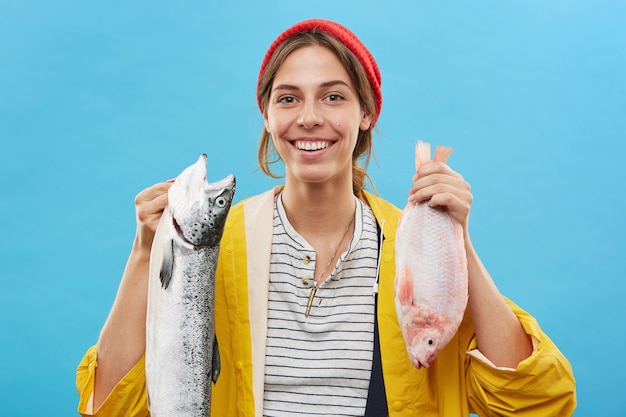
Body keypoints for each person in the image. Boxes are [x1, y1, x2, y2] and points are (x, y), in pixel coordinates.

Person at [76, 18, 576, 416]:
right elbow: (110, 407)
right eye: (288, 98)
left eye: (333, 96)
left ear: (366, 114)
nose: (309, 117)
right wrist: (146, 252)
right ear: (268, 117)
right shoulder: (212, 245)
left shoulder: (411, 247)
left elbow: (536, 403)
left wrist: (453, 239)